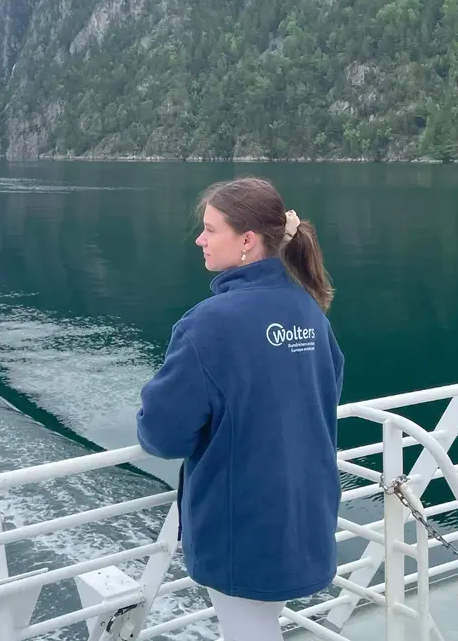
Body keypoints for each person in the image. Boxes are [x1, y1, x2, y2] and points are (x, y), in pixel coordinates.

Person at [136, 177, 344, 641]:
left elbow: (162, 435)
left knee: (249, 631)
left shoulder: (209, 323)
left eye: (211, 229)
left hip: (242, 524)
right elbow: (325, 391)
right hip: (301, 511)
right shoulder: (307, 309)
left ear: (247, 240)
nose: (199, 239)